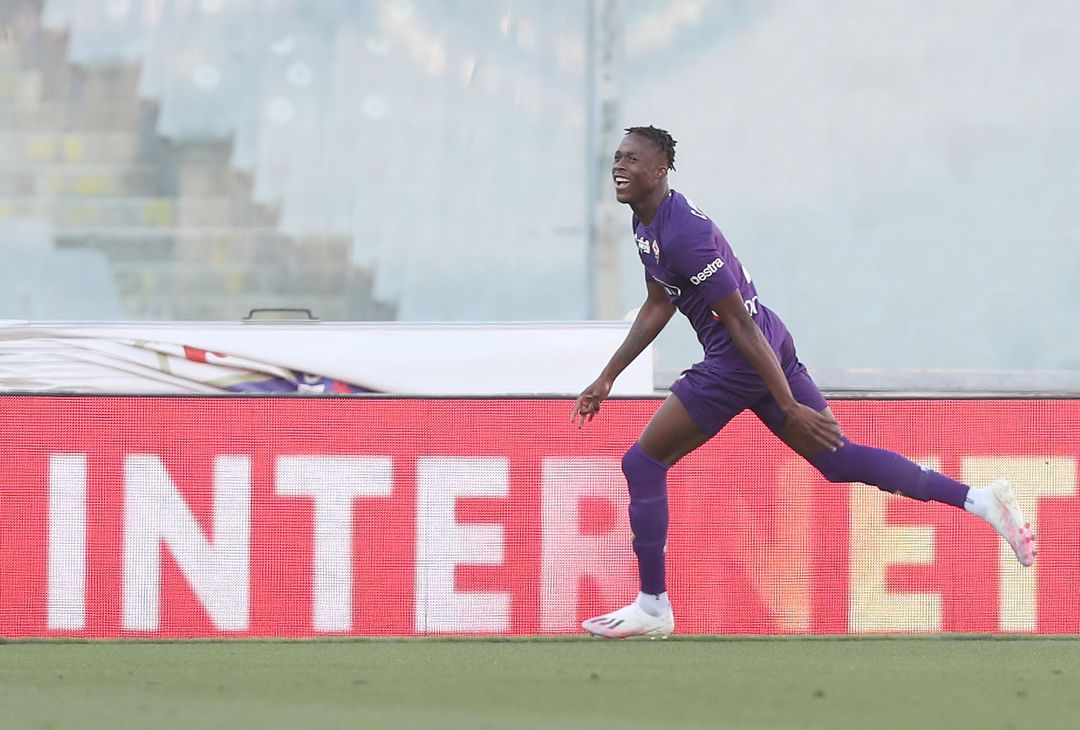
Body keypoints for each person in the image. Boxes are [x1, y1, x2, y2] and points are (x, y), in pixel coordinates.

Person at [572, 125, 1036, 639]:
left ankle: (654, 607)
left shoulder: (683, 235)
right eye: (617, 158)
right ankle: (981, 500)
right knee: (839, 461)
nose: (620, 166)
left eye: (632, 159)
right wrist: (607, 376)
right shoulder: (647, 226)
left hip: (741, 357)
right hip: (767, 340)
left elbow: (739, 326)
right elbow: (660, 302)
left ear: (659, 170)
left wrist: (788, 404)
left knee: (642, 462)